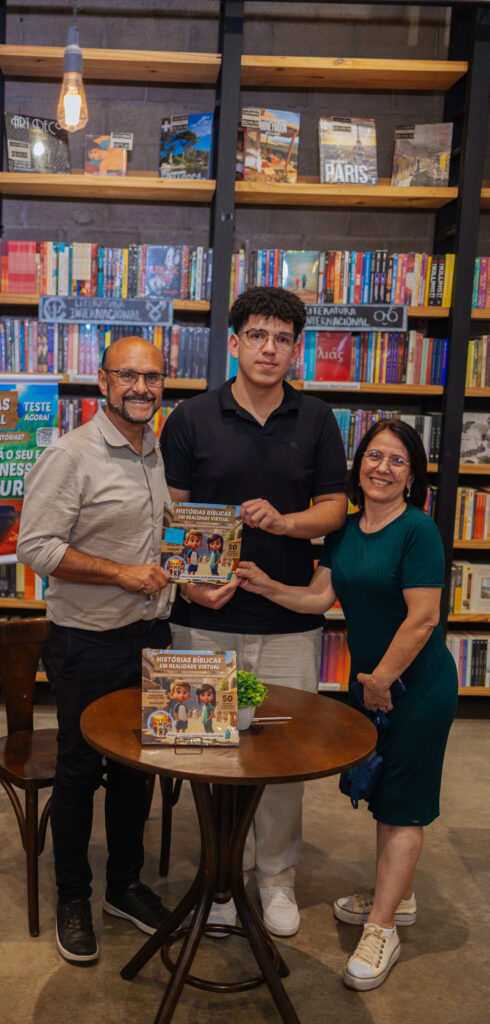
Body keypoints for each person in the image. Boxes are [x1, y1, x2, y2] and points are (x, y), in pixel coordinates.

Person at [236, 418, 458, 990]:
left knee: (403, 805)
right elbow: (318, 598)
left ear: (413, 476)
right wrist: (265, 584)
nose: (383, 468)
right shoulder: (347, 530)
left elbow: (424, 619)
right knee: (383, 794)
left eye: (398, 460)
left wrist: (380, 680)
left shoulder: (419, 531)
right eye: (375, 456)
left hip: (416, 686)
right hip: (375, 686)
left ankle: (382, 929)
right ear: (358, 468)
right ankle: (397, 895)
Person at [160, 285, 347, 937]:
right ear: (235, 342)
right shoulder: (190, 418)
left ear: (297, 350)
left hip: (289, 621)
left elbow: (335, 509)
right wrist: (188, 586)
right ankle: (221, 876)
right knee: (206, 753)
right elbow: (172, 513)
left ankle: (276, 878)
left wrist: (289, 522)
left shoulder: (317, 419)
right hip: (203, 619)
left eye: (283, 339)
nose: (270, 348)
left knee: (283, 759)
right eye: (258, 336)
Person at [16, 336, 173, 965]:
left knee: (137, 770)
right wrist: (120, 575)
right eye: (128, 376)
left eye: (152, 377)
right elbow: (36, 547)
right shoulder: (70, 454)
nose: (141, 387)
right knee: (80, 773)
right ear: (102, 382)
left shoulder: (153, 450)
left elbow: (153, 538)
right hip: (86, 643)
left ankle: (124, 887)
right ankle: (73, 898)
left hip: (149, 639)